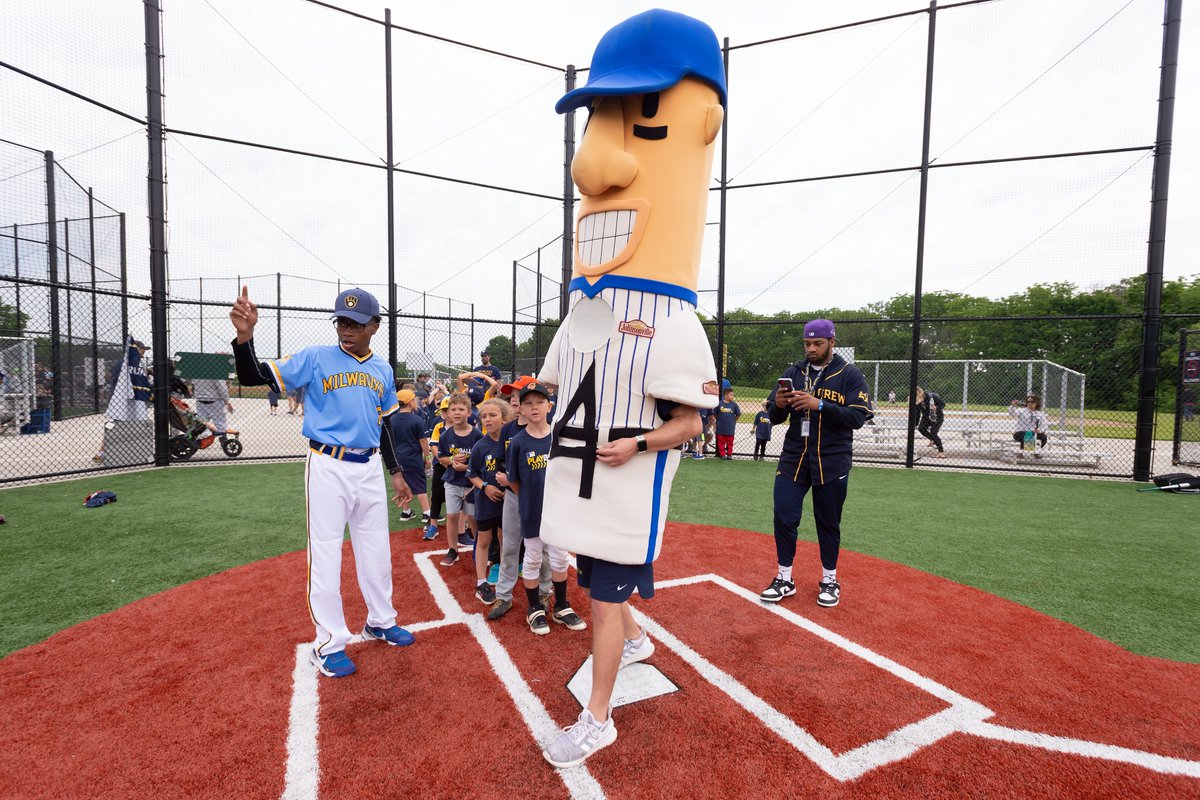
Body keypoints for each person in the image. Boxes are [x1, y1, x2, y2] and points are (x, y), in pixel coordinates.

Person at [538, 9, 723, 769]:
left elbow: (692, 426)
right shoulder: (585, 306)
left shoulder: (675, 320)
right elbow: (546, 391)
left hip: (624, 483)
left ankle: (600, 718)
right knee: (586, 581)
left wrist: (638, 443)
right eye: (597, 128)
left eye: (638, 123)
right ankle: (640, 639)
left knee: (603, 599)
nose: (595, 169)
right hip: (579, 486)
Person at [229, 286, 415, 679]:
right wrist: (245, 338)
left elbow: (383, 426)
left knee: (377, 551)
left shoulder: (382, 368)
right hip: (327, 465)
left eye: (356, 323)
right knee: (326, 554)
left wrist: (396, 473)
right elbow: (252, 376)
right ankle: (329, 642)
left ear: (375, 327)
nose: (346, 329)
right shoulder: (315, 357)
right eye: (342, 322)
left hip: (368, 467)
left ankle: (380, 620)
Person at [759, 319, 873, 610]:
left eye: (817, 343)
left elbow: (857, 418)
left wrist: (820, 404)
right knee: (784, 516)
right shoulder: (793, 372)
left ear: (831, 342)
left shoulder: (849, 374)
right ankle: (785, 578)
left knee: (827, 523)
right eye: (807, 343)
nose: (811, 349)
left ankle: (830, 580)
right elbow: (773, 417)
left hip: (831, 460)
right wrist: (781, 404)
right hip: (794, 457)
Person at [506, 382, 587, 636]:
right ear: (520, 408)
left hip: (559, 511)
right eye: (527, 403)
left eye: (539, 402)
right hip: (532, 511)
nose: (534, 407)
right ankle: (534, 608)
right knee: (532, 557)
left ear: (549, 405)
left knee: (560, 557)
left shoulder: (559, 436)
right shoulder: (518, 442)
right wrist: (531, 499)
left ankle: (561, 606)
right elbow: (513, 480)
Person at [488, 375, 554, 621]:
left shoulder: (547, 429)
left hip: (541, 496)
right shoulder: (509, 430)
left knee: (543, 546)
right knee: (511, 546)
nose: (515, 400)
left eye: (519, 395)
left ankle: (545, 591)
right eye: (513, 396)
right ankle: (504, 595)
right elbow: (502, 461)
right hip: (515, 495)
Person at [467, 398, 513, 604]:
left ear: (504, 418)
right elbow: (472, 474)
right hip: (486, 502)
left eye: (493, 415)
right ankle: (481, 582)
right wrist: (485, 487)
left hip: (508, 501)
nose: (487, 419)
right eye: (484, 416)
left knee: (505, 538)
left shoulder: (512, 442)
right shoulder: (479, 446)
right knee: (484, 540)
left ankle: (504, 577)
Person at [436, 393, 481, 566]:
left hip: (471, 483)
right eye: (453, 409)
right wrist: (452, 461)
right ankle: (453, 549)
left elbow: (482, 460)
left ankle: (479, 547)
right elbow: (442, 458)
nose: (456, 412)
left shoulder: (477, 435)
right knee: (452, 515)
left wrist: (467, 467)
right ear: (447, 414)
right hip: (452, 481)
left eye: (461, 409)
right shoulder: (445, 436)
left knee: (473, 517)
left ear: (469, 413)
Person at [390, 388, 433, 523]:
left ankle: (406, 512)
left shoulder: (391, 419)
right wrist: (427, 457)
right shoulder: (417, 420)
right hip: (413, 458)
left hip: (397, 458)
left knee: (403, 484)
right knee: (420, 485)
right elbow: (423, 441)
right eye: (414, 400)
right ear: (410, 403)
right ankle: (427, 513)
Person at [193, 374, 234, 444]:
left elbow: (194, 386)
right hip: (215, 401)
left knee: (202, 421)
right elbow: (222, 389)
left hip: (200, 400)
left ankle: (200, 440)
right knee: (220, 422)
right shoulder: (215, 374)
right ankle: (223, 440)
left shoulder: (196, 374)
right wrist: (227, 402)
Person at [914, 386, 947, 458]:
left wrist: (936, 408)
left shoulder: (932, 397)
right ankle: (932, 439)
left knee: (933, 432)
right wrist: (915, 424)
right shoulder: (917, 401)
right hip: (926, 417)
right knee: (921, 428)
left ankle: (941, 452)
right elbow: (917, 413)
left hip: (937, 416)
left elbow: (943, 404)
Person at [714, 386, 741, 460]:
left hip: (730, 427)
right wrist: (719, 420)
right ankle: (722, 454)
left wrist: (734, 420)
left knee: (730, 441)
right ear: (725, 395)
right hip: (721, 427)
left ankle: (729, 454)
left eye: (733, 395)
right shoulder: (719, 404)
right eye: (731, 395)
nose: (733, 396)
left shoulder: (734, 405)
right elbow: (715, 413)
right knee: (721, 442)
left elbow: (738, 414)